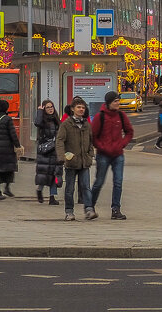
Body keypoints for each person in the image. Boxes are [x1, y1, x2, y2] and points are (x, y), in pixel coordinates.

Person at [90, 91, 135, 220]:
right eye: (115, 101)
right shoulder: (100, 117)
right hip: (103, 155)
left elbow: (129, 132)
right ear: (109, 102)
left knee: (118, 182)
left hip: (118, 154)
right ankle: (90, 206)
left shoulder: (121, 116)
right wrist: (101, 146)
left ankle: (116, 209)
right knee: (99, 182)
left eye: (118, 101)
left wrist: (122, 144)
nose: (118, 103)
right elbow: (94, 136)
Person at [56, 96, 96, 221]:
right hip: (71, 161)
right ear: (72, 109)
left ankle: (89, 209)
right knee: (70, 188)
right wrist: (62, 156)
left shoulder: (86, 125)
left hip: (84, 161)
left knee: (86, 187)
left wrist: (90, 155)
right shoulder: (66, 124)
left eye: (83, 108)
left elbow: (91, 141)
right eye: (78, 107)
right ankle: (69, 211)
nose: (81, 109)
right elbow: (60, 141)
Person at [34, 99, 62, 205]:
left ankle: (52, 196)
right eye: (47, 107)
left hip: (55, 151)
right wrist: (39, 112)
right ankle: (39, 190)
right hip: (45, 151)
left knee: (55, 174)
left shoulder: (56, 120)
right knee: (44, 174)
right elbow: (37, 123)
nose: (50, 109)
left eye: (51, 107)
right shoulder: (43, 121)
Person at [0, 99, 21, 197]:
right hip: (7, 148)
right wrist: (17, 145)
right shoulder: (7, 119)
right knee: (10, 168)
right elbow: (13, 134)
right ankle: (7, 188)